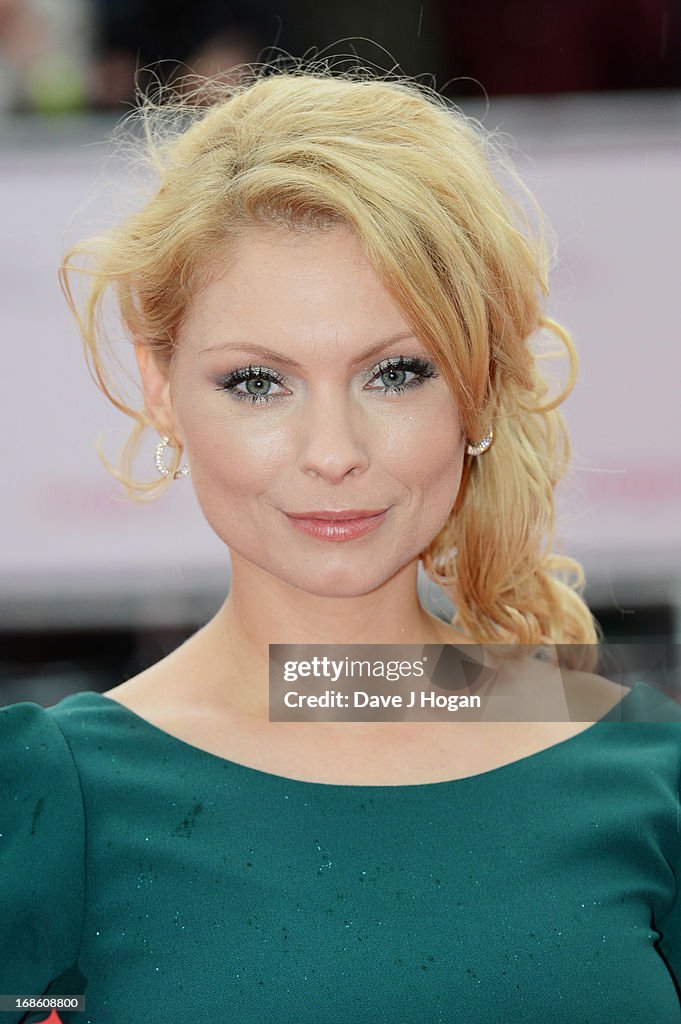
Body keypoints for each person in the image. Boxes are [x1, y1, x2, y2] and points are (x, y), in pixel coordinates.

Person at [1, 61, 680, 1023]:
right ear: (159, 383)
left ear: (477, 378)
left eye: (395, 372)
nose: (333, 454)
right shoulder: (48, 803)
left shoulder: (648, 769)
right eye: (257, 382)